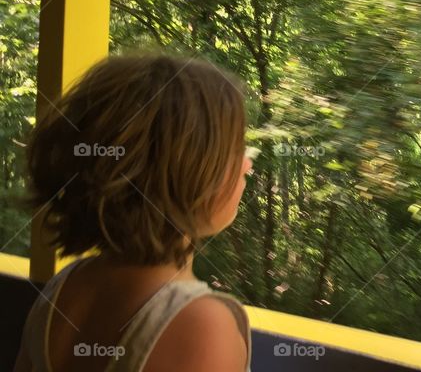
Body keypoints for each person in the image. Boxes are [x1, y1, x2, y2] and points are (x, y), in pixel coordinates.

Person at [13, 54, 254, 372]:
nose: (247, 164)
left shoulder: (65, 288)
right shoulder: (201, 324)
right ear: (186, 174)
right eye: (235, 149)